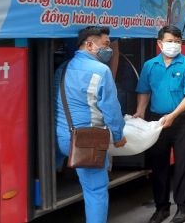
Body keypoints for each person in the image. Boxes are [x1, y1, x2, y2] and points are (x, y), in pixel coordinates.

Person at [55, 26, 127, 223]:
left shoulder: (62, 69)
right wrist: (119, 137)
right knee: (96, 191)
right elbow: (112, 111)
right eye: (105, 44)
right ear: (89, 45)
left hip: (62, 139)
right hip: (87, 142)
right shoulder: (101, 71)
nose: (109, 49)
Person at [134, 25, 185, 223]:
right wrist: (140, 110)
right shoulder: (150, 66)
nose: (174, 45)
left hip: (182, 121)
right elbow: (144, 91)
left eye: (178, 41)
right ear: (160, 43)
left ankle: (183, 207)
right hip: (156, 121)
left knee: (182, 165)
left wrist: (173, 115)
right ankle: (161, 208)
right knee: (159, 165)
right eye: (170, 41)